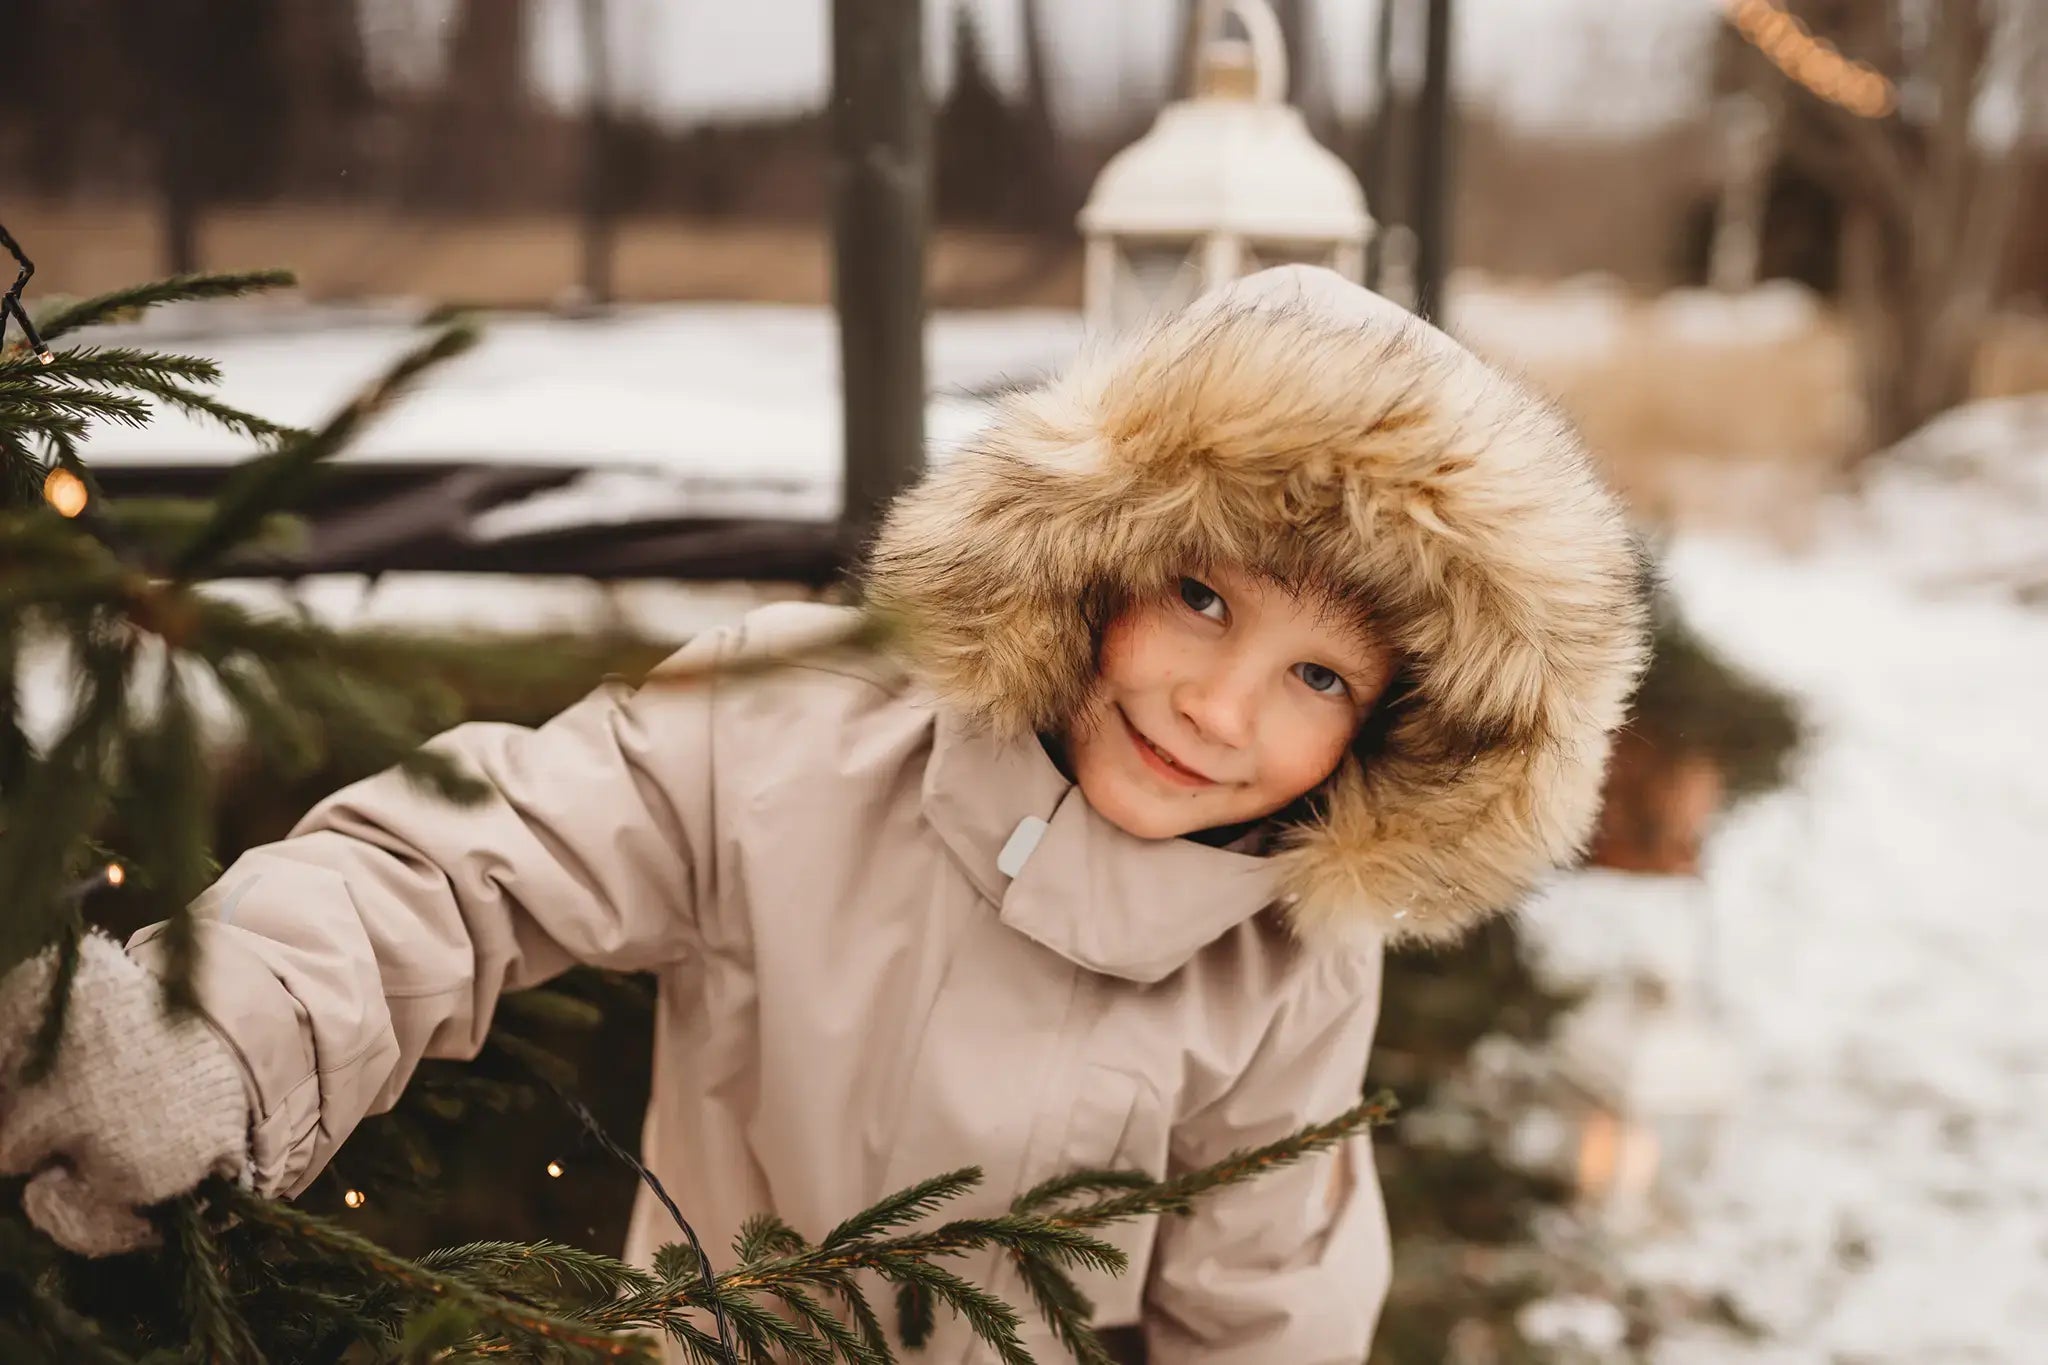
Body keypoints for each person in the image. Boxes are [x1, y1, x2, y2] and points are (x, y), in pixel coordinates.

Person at [0, 265, 1647, 1362]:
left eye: (1318, 679)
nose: (1223, 707)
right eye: (1203, 599)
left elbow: (1264, 1305)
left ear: (1396, 733)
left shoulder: (1288, 957)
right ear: (1088, 558)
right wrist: (223, 1024)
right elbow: (475, 855)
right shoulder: (798, 724)